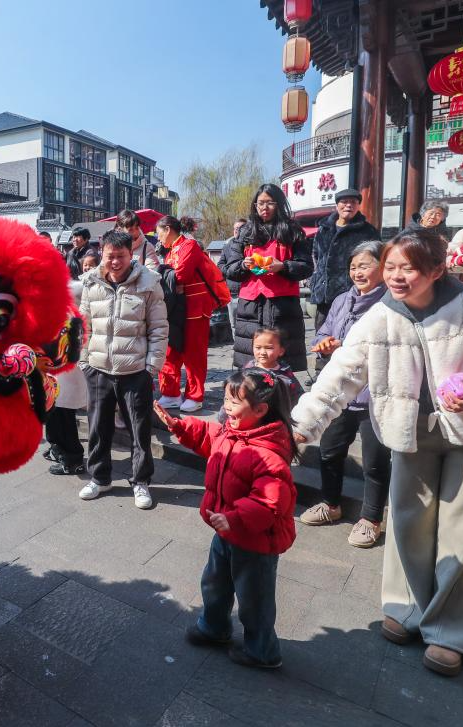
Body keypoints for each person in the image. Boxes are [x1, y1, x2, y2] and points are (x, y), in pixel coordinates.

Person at [291, 228, 463, 677]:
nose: (396, 276)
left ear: (436, 269)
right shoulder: (379, 316)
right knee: (408, 522)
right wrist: (300, 427)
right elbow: (340, 376)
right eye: (390, 267)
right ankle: (406, 606)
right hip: (409, 433)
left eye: (407, 268)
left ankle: (454, 629)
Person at [155, 367, 297, 669]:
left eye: (234, 402)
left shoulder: (269, 455)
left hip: (255, 542)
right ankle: (214, 627)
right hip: (226, 531)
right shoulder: (232, 431)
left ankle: (263, 651)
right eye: (226, 400)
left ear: (260, 410)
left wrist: (235, 517)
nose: (226, 407)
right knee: (214, 583)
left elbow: (269, 500)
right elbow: (209, 437)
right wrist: (180, 426)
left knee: (254, 599)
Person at [298, 241, 391, 548]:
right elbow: (324, 330)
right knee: (329, 451)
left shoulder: (390, 305)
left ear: (382, 266)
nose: (357, 272)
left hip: (374, 394)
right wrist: (325, 343)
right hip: (339, 392)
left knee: (375, 461)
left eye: (364, 265)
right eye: (353, 267)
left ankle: (371, 519)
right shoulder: (341, 299)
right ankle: (330, 504)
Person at [78, 230, 168, 509]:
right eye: (110, 256)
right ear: (101, 253)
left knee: (139, 430)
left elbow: (159, 328)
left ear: (132, 254)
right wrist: (84, 360)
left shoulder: (149, 283)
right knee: (98, 427)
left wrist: (151, 367)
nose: (115, 262)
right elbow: (83, 325)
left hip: (135, 370)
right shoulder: (91, 282)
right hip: (98, 368)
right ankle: (99, 477)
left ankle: (140, 481)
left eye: (121, 256)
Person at [223, 184, 313, 372]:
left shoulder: (293, 231)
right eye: (261, 203)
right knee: (250, 365)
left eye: (270, 203)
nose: (265, 207)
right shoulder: (245, 232)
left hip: (283, 306)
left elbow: (306, 267)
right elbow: (230, 269)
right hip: (250, 306)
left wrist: (283, 266)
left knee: (282, 364)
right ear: (255, 205)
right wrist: (243, 265)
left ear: (279, 204)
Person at [156, 215, 229, 413]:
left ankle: (195, 396)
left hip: (195, 306)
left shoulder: (190, 245)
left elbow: (181, 275)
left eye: (159, 233)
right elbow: (173, 278)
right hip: (176, 308)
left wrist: (163, 273)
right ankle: (170, 393)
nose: (158, 238)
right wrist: (167, 274)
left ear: (168, 229)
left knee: (194, 354)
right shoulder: (172, 251)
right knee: (170, 351)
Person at [308, 188, 380, 331]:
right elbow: (316, 255)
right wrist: (316, 279)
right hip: (324, 294)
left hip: (351, 293)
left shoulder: (367, 231)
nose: (348, 205)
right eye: (344, 202)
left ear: (358, 206)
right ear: (337, 205)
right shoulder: (324, 228)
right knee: (322, 333)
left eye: (353, 202)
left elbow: (376, 259)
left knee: (348, 333)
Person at [45, 277, 87, 475]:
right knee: (53, 414)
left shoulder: (70, 304)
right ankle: (58, 449)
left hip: (66, 373)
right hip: (52, 373)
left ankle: (73, 460)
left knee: (63, 416)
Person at [216, 327, 303, 423]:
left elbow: (298, 396)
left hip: (276, 420)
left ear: (281, 351)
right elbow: (233, 394)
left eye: (269, 348)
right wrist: (224, 416)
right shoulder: (247, 370)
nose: (262, 352)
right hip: (247, 419)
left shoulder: (285, 375)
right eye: (258, 347)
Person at [217, 218, 248, 336]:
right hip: (233, 292)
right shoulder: (227, 246)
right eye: (235, 228)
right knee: (234, 324)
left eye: (240, 228)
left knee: (249, 323)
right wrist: (230, 271)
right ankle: (237, 344)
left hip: (248, 290)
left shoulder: (251, 245)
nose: (237, 231)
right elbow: (220, 265)